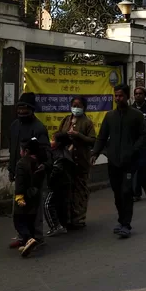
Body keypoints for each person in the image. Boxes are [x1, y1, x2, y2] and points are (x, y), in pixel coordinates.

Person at [91, 84, 146, 239]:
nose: (118, 98)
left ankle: (126, 224)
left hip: (129, 162)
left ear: (127, 96)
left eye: (120, 96)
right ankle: (121, 220)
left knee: (126, 192)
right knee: (117, 193)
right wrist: (95, 153)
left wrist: (133, 150)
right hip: (114, 161)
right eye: (116, 96)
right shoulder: (110, 116)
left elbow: (144, 136)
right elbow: (102, 136)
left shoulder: (136, 115)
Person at [9, 93, 50, 247]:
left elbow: (45, 151)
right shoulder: (14, 126)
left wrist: (44, 166)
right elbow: (12, 150)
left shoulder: (39, 128)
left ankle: (37, 237)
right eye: (19, 108)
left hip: (34, 174)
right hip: (19, 173)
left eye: (25, 108)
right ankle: (23, 237)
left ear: (32, 109)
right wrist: (11, 169)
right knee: (19, 206)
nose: (21, 111)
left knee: (35, 206)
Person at [55, 96, 95, 230]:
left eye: (79, 105)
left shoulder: (87, 122)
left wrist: (79, 136)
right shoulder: (66, 120)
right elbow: (58, 135)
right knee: (67, 190)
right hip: (67, 161)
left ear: (84, 107)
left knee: (80, 190)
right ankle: (67, 219)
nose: (76, 108)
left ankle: (79, 219)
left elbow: (92, 140)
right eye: (74, 105)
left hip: (81, 161)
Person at [13, 138, 47, 258]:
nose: (20, 152)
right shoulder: (40, 163)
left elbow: (20, 182)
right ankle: (29, 241)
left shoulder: (22, 163)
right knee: (31, 220)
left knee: (18, 220)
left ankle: (28, 239)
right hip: (35, 195)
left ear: (26, 151)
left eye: (21, 150)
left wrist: (19, 197)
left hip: (24, 196)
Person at [45, 132, 76, 237]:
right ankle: (61, 225)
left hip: (58, 184)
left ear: (58, 143)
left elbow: (56, 171)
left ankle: (56, 226)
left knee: (48, 204)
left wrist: (48, 181)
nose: (51, 141)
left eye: (53, 139)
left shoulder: (60, 156)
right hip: (62, 183)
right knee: (59, 205)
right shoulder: (61, 152)